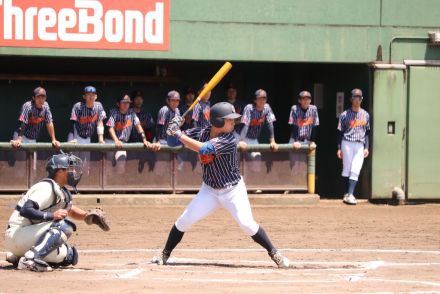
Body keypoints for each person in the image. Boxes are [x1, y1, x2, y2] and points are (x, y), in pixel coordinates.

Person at [152, 102, 290, 268]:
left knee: (247, 224)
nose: (233, 123)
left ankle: (274, 252)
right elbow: (173, 144)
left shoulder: (229, 139)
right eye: (229, 120)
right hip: (209, 190)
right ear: (217, 122)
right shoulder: (201, 132)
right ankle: (164, 254)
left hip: (233, 190)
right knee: (184, 220)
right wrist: (172, 128)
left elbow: (204, 149)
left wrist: (179, 133)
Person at [4, 153, 102, 272]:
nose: (74, 172)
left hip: (27, 237)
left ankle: (18, 256)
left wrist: (87, 216)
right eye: (70, 168)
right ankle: (30, 259)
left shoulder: (61, 191)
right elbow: (26, 210)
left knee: (69, 256)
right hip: (17, 233)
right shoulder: (46, 187)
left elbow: (69, 210)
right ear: (59, 171)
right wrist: (52, 216)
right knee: (64, 225)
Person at [106, 94, 160, 174]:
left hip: (123, 143)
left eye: (128, 102)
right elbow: (110, 127)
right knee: (108, 167)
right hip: (110, 141)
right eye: (123, 102)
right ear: (118, 104)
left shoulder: (131, 113)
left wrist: (144, 140)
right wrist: (116, 140)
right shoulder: (114, 112)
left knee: (121, 164)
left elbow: (138, 127)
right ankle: (107, 185)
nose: (126, 104)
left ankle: (117, 184)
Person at [337, 88, 370, 205]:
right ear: (351, 99)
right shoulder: (345, 114)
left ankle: (350, 194)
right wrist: (339, 148)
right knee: (346, 169)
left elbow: (366, 132)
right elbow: (340, 132)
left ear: (362, 99)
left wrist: (367, 147)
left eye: (359, 98)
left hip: (360, 144)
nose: (357, 100)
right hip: (347, 143)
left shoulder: (365, 114)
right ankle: (347, 194)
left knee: (356, 169)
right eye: (355, 98)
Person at [68, 86, 106, 176]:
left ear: (96, 97)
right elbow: (73, 123)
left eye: (93, 95)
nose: (91, 97)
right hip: (75, 135)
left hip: (87, 138)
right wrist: (74, 138)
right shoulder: (78, 106)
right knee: (72, 165)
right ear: (84, 96)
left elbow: (100, 122)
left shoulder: (99, 106)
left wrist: (101, 138)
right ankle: (70, 187)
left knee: (85, 166)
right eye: (88, 95)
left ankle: (83, 188)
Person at [239, 89, 278, 175]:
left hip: (253, 138)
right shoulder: (249, 108)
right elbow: (245, 125)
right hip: (240, 135)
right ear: (255, 100)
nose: (262, 100)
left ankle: (254, 185)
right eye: (259, 98)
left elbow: (270, 124)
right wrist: (241, 140)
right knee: (239, 161)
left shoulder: (267, 108)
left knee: (257, 159)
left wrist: (272, 141)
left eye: (264, 98)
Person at [129, 90, 156, 173]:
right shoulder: (128, 112)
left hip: (143, 144)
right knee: (130, 166)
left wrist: (144, 125)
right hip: (129, 143)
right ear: (133, 100)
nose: (139, 101)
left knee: (143, 168)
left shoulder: (146, 113)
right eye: (137, 99)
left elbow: (152, 125)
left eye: (140, 99)